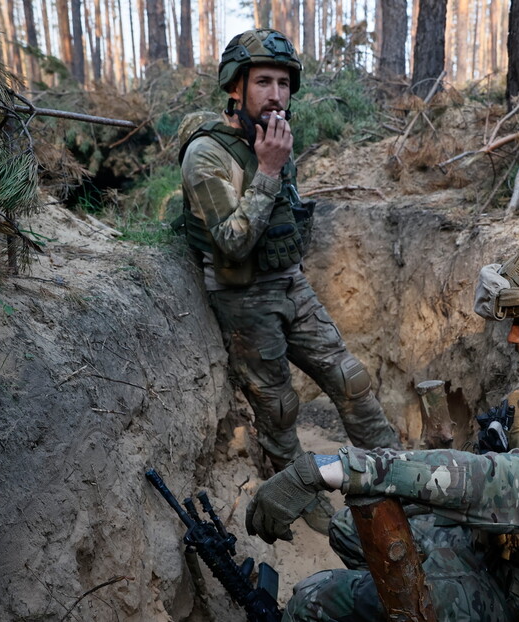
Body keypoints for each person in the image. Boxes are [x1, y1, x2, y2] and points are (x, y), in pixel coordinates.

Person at [245, 233, 519, 621]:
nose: (512, 336)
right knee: (349, 527)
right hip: (491, 557)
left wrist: (334, 468)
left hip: (513, 604)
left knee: (312, 598)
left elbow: (504, 483)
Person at [177, 29, 401, 533]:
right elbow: (232, 242)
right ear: (236, 87)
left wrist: (274, 165)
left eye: (283, 82)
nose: (276, 94)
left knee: (351, 380)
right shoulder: (208, 155)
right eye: (263, 82)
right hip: (242, 298)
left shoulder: (272, 138)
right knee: (279, 410)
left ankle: (400, 475)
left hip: (289, 284)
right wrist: (269, 170)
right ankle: (307, 514)